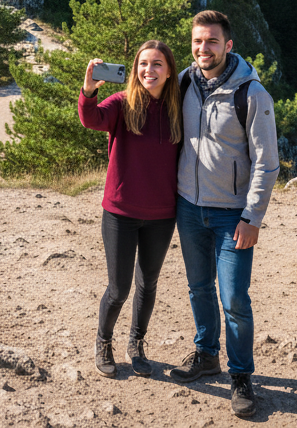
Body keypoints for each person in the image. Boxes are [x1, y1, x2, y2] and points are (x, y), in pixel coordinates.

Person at [171, 10, 279, 417]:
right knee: (199, 288)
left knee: (233, 297)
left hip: (232, 215)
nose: (204, 49)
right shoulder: (182, 82)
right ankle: (205, 354)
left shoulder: (251, 93)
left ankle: (240, 375)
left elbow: (268, 163)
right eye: (198, 41)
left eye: (212, 42)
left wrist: (252, 218)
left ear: (228, 45)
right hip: (188, 206)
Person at [78, 41, 183, 378]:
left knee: (148, 283)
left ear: (169, 71)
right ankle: (103, 341)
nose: (148, 71)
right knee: (119, 287)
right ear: (135, 70)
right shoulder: (123, 104)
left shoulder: (178, 109)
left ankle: (136, 343)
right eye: (142, 64)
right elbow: (91, 118)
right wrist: (89, 89)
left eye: (157, 64)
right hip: (120, 212)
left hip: (162, 214)